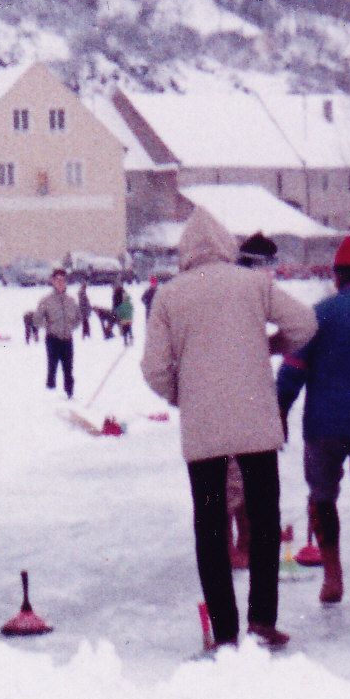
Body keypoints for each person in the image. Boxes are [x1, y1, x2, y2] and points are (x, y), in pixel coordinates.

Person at [142, 206, 317, 649]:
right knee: (264, 517)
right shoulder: (254, 283)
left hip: (204, 429)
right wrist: (270, 346)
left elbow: (153, 369)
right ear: (226, 244)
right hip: (256, 417)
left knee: (211, 525)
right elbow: (305, 324)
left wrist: (184, 394)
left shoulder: (168, 295)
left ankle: (224, 632)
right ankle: (262, 618)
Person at [277, 236, 350, 610]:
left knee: (323, 496)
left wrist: (278, 412)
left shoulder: (318, 315)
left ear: (336, 276)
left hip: (323, 426)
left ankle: (332, 578)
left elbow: (292, 372)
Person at [34, 268, 78, 398]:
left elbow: (78, 318)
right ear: (53, 281)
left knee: (68, 369)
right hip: (53, 339)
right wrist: (48, 326)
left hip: (67, 338)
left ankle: (69, 394)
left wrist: (71, 326)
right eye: (57, 280)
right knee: (52, 368)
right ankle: (50, 395)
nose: (60, 283)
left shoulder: (71, 300)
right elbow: (37, 319)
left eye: (63, 280)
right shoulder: (46, 300)